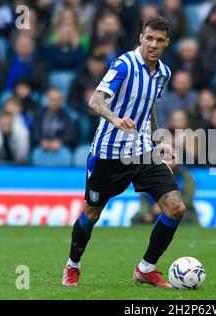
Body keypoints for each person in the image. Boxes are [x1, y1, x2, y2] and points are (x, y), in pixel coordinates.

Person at [62, 17, 185, 289]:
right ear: (141, 38)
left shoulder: (163, 72)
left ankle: (146, 269)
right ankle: (73, 265)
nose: (153, 44)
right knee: (91, 214)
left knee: (176, 208)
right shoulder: (124, 65)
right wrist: (116, 119)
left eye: (159, 40)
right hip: (109, 153)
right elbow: (96, 100)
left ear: (167, 43)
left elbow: (149, 106)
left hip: (142, 151)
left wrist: (159, 139)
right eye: (149, 38)